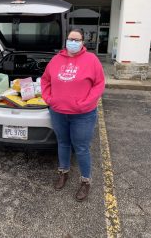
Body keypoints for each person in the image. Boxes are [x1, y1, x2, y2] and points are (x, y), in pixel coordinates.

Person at [41, 29, 105, 202]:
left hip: (83, 115)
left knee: (82, 147)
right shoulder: (56, 60)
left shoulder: (91, 60)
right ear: (66, 41)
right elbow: (45, 79)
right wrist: (49, 99)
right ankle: (63, 172)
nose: (73, 42)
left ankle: (85, 181)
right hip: (58, 112)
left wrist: (86, 103)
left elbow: (99, 84)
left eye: (77, 39)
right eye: (71, 39)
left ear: (83, 42)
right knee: (63, 143)